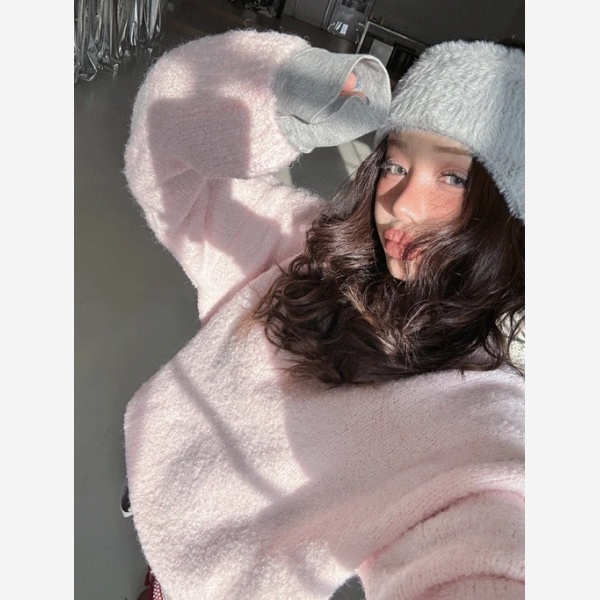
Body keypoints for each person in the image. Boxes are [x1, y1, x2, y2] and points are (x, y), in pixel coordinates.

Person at [122, 28, 524, 600]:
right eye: (395, 166)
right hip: (154, 541)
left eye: (453, 177)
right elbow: (160, 153)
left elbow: (491, 537)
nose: (400, 205)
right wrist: (283, 88)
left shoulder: (481, 406)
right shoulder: (304, 249)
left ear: (511, 207)